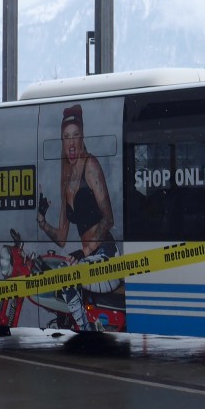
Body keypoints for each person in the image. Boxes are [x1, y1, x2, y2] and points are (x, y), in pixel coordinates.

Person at [34, 104, 121, 327]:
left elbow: (108, 219)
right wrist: (42, 221)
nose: (71, 142)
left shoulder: (90, 166)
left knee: (66, 276)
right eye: (66, 137)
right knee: (61, 272)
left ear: (82, 137)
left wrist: (84, 251)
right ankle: (82, 327)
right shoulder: (66, 179)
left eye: (75, 135)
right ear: (62, 141)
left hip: (107, 257)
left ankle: (85, 330)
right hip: (88, 259)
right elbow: (62, 237)